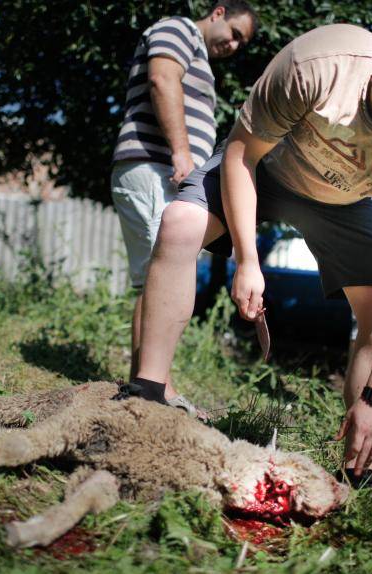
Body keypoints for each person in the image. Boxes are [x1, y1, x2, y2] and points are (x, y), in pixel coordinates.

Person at [125, 18, 372, 478]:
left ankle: (358, 463)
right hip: (268, 169)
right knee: (180, 223)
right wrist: (248, 260)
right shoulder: (321, 62)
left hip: (347, 202)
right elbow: (243, 154)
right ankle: (147, 394)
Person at [110, 1, 257, 416]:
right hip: (156, 164)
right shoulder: (178, 29)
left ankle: (146, 387)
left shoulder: (197, 53)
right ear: (218, 11)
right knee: (160, 277)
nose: (234, 45)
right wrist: (181, 152)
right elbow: (162, 78)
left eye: (241, 43)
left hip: (166, 170)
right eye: (234, 33)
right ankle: (155, 388)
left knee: (156, 278)